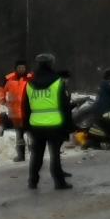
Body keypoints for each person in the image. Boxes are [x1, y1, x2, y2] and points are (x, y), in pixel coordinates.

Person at [26, 54, 74, 190]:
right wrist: (68, 125)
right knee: (55, 155)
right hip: (54, 124)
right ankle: (59, 182)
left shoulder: (30, 83)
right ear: (51, 64)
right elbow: (64, 105)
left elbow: (26, 106)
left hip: (36, 125)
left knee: (36, 155)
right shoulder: (57, 81)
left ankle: (32, 181)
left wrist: (26, 125)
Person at [3, 59, 31, 161]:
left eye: (23, 67)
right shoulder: (9, 79)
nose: (21, 69)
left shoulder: (30, 78)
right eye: (19, 67)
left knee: (31, 133)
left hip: (28, 110)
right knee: (19, 135)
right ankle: (21, 155)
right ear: (16, 68)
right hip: (15, 113)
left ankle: (34, 153)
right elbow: (2, 90)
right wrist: (3, 100)